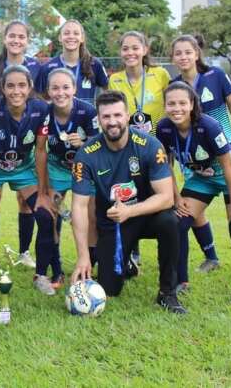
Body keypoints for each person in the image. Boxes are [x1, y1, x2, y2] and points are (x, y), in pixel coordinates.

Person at [70, 90, 186, 314]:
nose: (112, 122)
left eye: (117, 115)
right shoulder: (86, 154)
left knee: (171, 221)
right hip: (114, 222)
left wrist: (130, 211)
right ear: (99, 120)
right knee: (110, 289)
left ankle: (167, 293)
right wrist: (83, 256)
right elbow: (79, 206)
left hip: (148, 215)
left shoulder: (150, 145)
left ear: (127, 115)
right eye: (106, 117)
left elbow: (166, 197)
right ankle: (126, 263)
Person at [157, 81, 231, 304]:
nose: (177, 108)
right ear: (165, 106)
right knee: (177, 221)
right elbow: (166, 166)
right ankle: (181, 280)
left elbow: (229, 166)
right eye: (171, 103)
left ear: (192, 104)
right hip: (202, 177)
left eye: (182, 103)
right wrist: (177, 197)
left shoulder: (208, 126)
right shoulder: (163, 128)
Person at [171, 34, 231, 274]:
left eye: (188, 52)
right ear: (173, 58)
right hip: (196, 163)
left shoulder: (215, 76)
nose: (184, 57)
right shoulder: (176, 87)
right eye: (178, 53)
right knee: (190, 213)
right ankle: (211, 257)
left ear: (197, 53)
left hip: (226, 157)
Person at [0, 64, 56, 297]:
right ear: (2, 88)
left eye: (22, 85)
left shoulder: (41, 109)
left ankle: (41, 275)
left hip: (24, 169)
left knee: (45, 214)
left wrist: (42, 192)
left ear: (30, 87)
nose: (16, 91)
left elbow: (41, 152)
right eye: (10, 85)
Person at [0, 20, 41, 268]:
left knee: (26, 201)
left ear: (27, 40)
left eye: (21, 37)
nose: (16, 40)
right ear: (4, 39)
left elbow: (42, 98)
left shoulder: (38, 66)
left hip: (24, 137)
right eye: (12, 36)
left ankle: (25, 251)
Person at [108, 31, 172, 265]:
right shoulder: (114, 79)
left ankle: (168, 251)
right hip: (128, 147)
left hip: (157, 148)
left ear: (145, 50)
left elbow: (172, 105)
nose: (130, 52)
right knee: (130, 193)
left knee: (162, 196)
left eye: (135, 47)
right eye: (125, 48)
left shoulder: (161, 75)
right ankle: (132, 251)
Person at [45, 68, 98, 288]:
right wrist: (46, 185)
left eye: (65, 87)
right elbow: (37, 150)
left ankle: (89, 266)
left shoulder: (87, 111)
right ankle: (56, 271)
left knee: (91, 217)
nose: (60, 92)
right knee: (51, 216)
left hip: (83, 168)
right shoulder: (44, 112)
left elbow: (100, 147)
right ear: (48, 91)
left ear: (74, 88)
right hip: (56, 168)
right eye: (55, 88)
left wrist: (84, 144)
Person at [36, 19, 109, 105]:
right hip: (59, 117)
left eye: (76, 33)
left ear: (82, 38)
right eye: (66, 33)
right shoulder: (47, 67)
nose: (71, 36)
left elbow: (107, 90)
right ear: (60, 38)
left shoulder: (94, 64)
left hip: (86, 118)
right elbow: (38, 96)